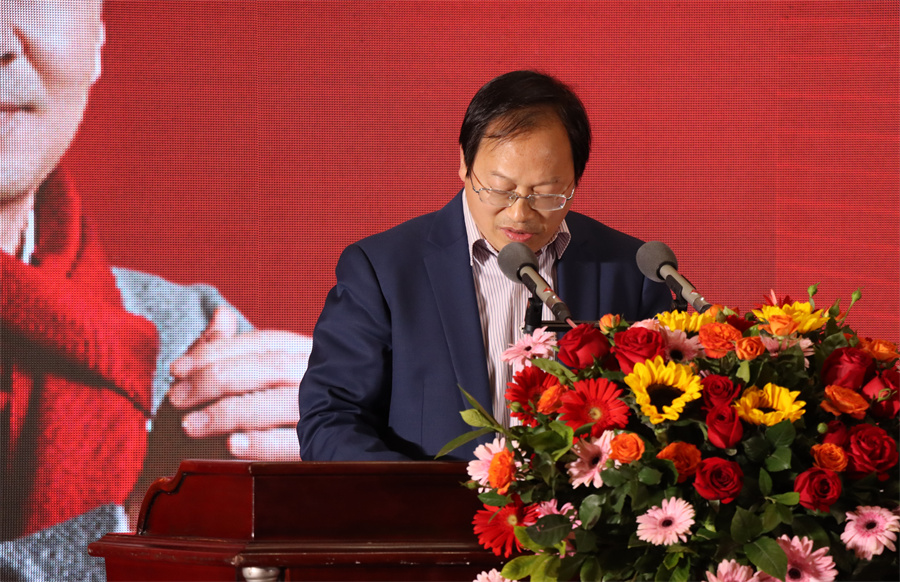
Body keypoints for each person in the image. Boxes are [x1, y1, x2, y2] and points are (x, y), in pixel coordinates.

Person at [0, 2, 310, 579]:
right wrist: (149, 523)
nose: (1, 42)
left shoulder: (191, 331)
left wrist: (349, 484)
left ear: (96, 41)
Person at [297, 70, 673, 462]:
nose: (519, 214)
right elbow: (331, 419)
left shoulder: (632, 272)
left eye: (546, 194)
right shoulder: (384, 271)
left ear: (575, 181)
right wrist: (417, 493)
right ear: (464, 162)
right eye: (499, 189)